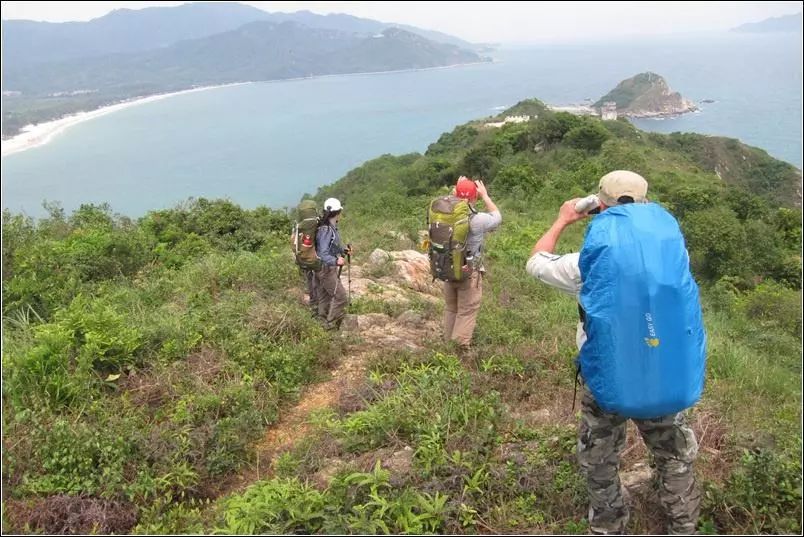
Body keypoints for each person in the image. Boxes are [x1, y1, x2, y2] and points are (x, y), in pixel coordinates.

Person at [525, 170, 701, 535]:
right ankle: (684, 526)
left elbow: (536, 262)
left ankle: (609, 526)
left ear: (600, 205)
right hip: (664, 372)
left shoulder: (585, 264)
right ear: (646, 203)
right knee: (675, 457)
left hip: (608, 379)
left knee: (601, 460)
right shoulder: (674, 252)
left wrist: (563, 219)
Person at [443, 176, 501, 353]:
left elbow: (448, 203)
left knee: (451, 309)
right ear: (474, 197)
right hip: (469, 271)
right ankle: (457, 352)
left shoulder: (445, 215)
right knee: (466, 311)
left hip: (447, 268)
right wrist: (485, 196)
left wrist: (456, 190)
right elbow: (497, 217)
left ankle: (447, 346)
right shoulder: (479, 219)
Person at [315, 197, 350, 330]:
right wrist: (335, 260)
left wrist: (342, 250)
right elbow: (323, 253)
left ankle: (321, 323)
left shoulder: (329, 227)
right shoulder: (326, 229)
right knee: (340, 297)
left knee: (324, 296)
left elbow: (330, 246)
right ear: (338, 212)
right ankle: (330, 326)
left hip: (321, 268)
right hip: (325, 268)